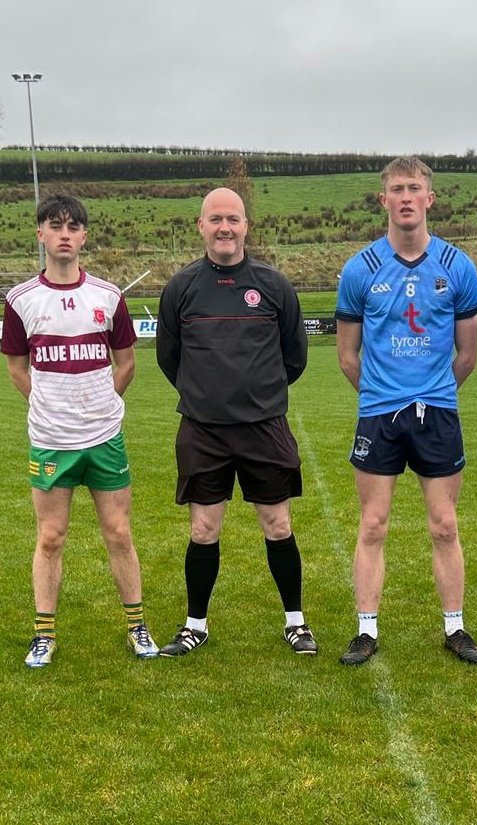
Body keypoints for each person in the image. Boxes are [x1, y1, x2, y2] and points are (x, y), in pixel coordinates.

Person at [335, 156, 477, 666]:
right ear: (383, 200)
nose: (405, 197)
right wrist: (381, 393)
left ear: (429, 199)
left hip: (438, 412)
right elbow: (347, 357)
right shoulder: (360, 269)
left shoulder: (457, 266)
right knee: (373, 524)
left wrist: (436, 388)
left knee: (444, 524)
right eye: (396, 188)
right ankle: (366, 630)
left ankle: (456, 627)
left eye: (414, 188)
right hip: (380, 414)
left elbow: (467, 355)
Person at [156, 187, 315, 657]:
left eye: (233, 219)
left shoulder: (273, 284)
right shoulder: (181, 288)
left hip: (264, 426)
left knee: (278, 525)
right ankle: (195, 625)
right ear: (201, 226)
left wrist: (257, 394)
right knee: (203, 529)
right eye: (215, 219)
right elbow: (170, 359)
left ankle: (296, 621)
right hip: (203, 430)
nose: (225, 227)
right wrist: (208, 396)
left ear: (246, 226)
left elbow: (295, 357)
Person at [0, 193, 158, 667]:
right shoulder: (21, 300)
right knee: (50, 537)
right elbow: (16, 369)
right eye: (55, 225)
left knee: (119, 533)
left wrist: (103, 404)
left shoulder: (108, 298)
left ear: (84, 236)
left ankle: (137, 627)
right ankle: (44, 634)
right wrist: (50, 407)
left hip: (105, 437)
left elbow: (126, 364)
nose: (65, 234)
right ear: (41, 234)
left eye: (74, 226)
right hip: (51, 441)